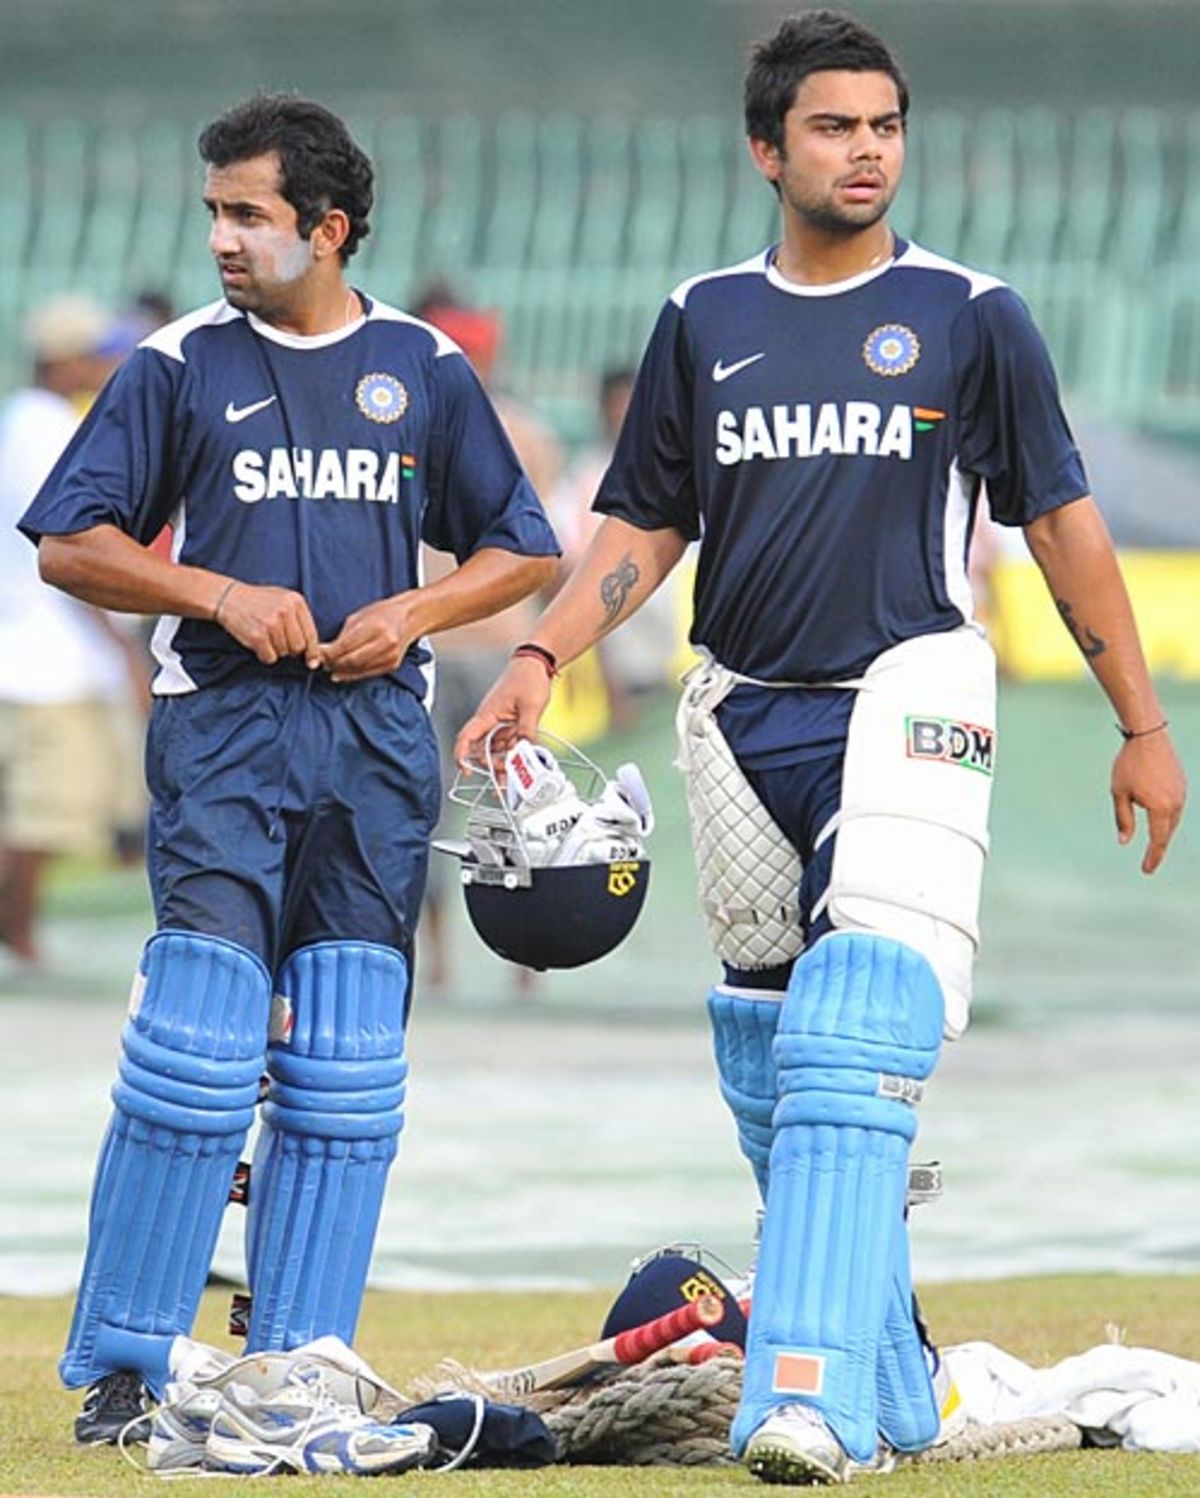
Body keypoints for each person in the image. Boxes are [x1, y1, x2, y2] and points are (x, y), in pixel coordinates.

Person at [456, 11, 1187, 1486]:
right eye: (836, 127)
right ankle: (898, 1375)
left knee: (856, 1026)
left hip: (907, 688)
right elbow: (648, 518)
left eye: (885, 125)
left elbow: (1062, 521)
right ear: (766, 150)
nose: (867, 150)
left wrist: (1144, 722)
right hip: (743, 706)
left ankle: (806, 1400)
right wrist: (543, 649)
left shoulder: (974, 312)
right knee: (768, 1057)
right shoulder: (703, 318)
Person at [19, 95, 558, 1446]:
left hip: (377, 745)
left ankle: (299, 1358)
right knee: (198, 1042)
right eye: (215, 210)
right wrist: (214, 589)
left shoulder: (423, 366)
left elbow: (523, 547)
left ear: (329, 228)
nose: (224, 236)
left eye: (250, 212)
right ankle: (129, 1363)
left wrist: (415, 614)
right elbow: (70, 542)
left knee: (346, 1063)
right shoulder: (177, 363)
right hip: (223, 730)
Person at [0, 294, 147, 968]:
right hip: (46, 657)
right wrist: (119, 644)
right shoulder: (45, 427)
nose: (104, 361)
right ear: (63, 360)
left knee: (45, 811)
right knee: (46, 811)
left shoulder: (28, 421)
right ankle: (18, 931)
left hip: (40, 650)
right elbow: (64, 548)